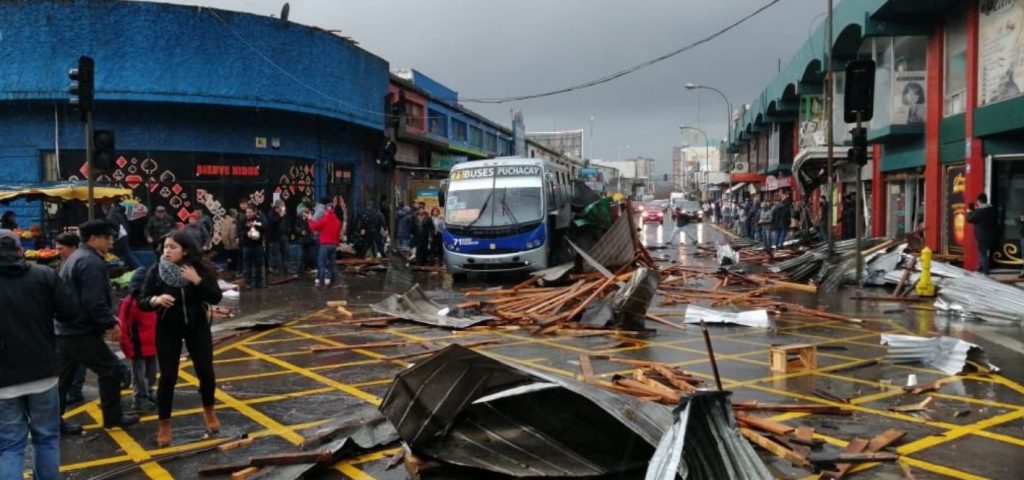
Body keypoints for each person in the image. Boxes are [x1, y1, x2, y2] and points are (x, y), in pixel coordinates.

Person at [0, 229, 77, 480]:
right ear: (20, 251)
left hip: (4, 382)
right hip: (43, 373)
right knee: (46, 438)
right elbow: (70, 312)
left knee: (10, 445)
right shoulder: (43, 275)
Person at [139, 231, 223, 447]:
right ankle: (164, 425)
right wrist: (156, 299)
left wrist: (197, 281)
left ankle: (209, 411)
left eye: (172, 247)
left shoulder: (199, 269)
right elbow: (142, 300)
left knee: (206, 372)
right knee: (168, 377)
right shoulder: (156, 271)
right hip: (168, 329)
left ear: (185, 251)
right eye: (165, 247)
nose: (167, 251)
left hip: (197, 327)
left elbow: (215, 297)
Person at [57, 220, 139, 430]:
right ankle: (113, 418)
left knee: (63, 378)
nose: (110, 241)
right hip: (81, 330)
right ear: (94, 239)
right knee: (110, 370)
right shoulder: (90, 262)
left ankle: (52, 422)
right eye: (107, 237)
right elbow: (94, 301)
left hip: (67, 328)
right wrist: (110, 323)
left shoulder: (77, 257)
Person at [118, 268, 158, 411]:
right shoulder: (130, 302)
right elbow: (123, 328)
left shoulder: (151, 301)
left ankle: (148, 393)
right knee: (139, 376)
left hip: (151, 345)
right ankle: (140, 400)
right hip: (137, 347)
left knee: (151, 373)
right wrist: (127, 348)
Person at [309, 200, 341, 288]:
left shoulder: (324, 220)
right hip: (333, 245)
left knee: (322, 263)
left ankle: (321, 283)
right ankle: (333, 282)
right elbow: (338, 235)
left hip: (324, 245)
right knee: (332, 264)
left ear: (326, 210)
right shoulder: (337, 222)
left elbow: (313, 227)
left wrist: (310, 219)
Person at [966, 193, 997, 275]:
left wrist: (969, 212)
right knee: (983, 253)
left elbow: (970, 219)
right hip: (990, 235)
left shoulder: (980, 211)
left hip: (981, 236)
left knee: (983, 254)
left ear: (979, 201)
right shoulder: (992, 209)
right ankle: (980, 268)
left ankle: (985, 272)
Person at [105, 203, 139, 269]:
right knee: (126, 256)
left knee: (124, 258)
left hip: (119, 240)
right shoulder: (119, 213)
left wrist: (113, 239)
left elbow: (115, 228)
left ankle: (139, 268)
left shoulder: (111, 216)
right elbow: (126, 225)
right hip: (124, 237)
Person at [240, 205, 266, 289]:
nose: (248, 214)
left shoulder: (259, 220)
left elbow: (264, 229)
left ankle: (259, 282)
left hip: (258, 246)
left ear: (254, 212)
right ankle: (248, 283)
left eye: (250, 212)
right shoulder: (243, 220)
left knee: (258, 265)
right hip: (247, 246)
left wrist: (254, 225)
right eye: (247, 212)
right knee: (247, 265)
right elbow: (240, 231)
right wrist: (246, 233)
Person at [294, 201, 318, 278]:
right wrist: (300, 231)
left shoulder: (313, 215)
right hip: (302, 240)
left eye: (305, 207)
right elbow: (296, 226)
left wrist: (309, 219)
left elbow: (314, 226)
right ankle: (299, 271)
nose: (304, 209)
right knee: (300, 256)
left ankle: (311, 268)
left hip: (311, 239)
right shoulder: (300, 216)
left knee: (311, 256)